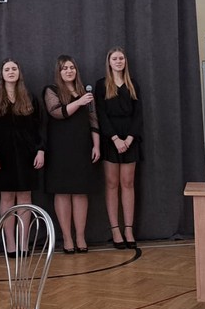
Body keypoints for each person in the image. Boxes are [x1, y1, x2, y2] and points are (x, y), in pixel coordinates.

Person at [0, 58, 44, 252]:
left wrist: (41, 150)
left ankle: (23, 242)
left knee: (25, 197)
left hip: (27, 155)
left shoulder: (30, 97)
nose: (11, 72)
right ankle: (10, 243)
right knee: (7, 197)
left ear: (19, 73)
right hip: (3, 156)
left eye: (14, 69)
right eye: (7, 69)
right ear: (2, 74)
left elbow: (39, 127)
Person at [43, 55, 100, 254]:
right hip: (60, 148)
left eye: (72, 67)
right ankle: (67, 238)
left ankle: (80, 236)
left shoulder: (85, 92)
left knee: (80, 191)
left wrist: (96, 145)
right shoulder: (51, 90)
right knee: (63, 191)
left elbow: (93, 119)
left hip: (82, 146)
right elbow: (56, 112)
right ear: (59, 72)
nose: (69, 71)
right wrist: (79, 102)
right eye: (65, 68)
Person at [95, 47, 142, 250]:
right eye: (114, 58)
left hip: (130, 138)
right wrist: (115, 139)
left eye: (121, 58)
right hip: (110, 139)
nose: (118, 61)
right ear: (109, 62)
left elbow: (139, 114)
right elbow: (100, 115)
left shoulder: (133, 84)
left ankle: (128, 229)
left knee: (128, 183)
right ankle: (115, 229)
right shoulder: (101, 85)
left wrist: (129, 139)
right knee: (112, 184)